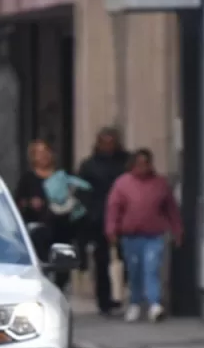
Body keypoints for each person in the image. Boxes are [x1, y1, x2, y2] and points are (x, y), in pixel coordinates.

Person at [106, 148, 183, 323]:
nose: (143, 167)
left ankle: (154, 303)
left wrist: (177, 230)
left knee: (151, 268)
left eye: (146, 163)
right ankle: (135, 302)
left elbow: (171, 209)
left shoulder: (160, 184)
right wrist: (112, 230)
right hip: (131, 236)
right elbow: (114, 208)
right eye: (139, 163)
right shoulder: (123, 184)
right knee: (135, 271)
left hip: (154, 235)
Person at [77, 127, 131, 316]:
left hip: (124, 217)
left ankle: (123, 295)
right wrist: (91, 212)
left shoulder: (126, 162)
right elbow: (82, 191)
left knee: (126, 259)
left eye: (111, 142)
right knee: (102, 260)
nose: (108, 146)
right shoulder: (89, 165)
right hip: (98, 218)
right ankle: (104, 300)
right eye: (104, 142)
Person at [14, 139, 74, 290]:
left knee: (62, 265)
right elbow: (18, 202)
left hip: (61, 226)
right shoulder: (28, 179)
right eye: (39, 153)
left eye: (46, 152)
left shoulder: (61, 177)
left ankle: (60, 288)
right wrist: (30, 203)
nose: (43, 156)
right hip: (38, 229)